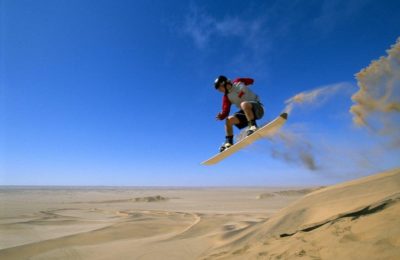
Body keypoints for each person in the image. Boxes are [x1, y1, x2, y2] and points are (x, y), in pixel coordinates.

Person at [214, 75, 264, 152]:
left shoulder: (238, 81)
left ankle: (253, 127)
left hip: (257, 108)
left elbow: (250, 80)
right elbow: (226, 110)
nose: (220, 91)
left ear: (224, 83)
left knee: (243, 104)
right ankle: (229, 142)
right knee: (228, 120)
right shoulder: (226, 97)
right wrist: (222, 116)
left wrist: (249, 82)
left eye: (220, 88)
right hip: (246, 114)